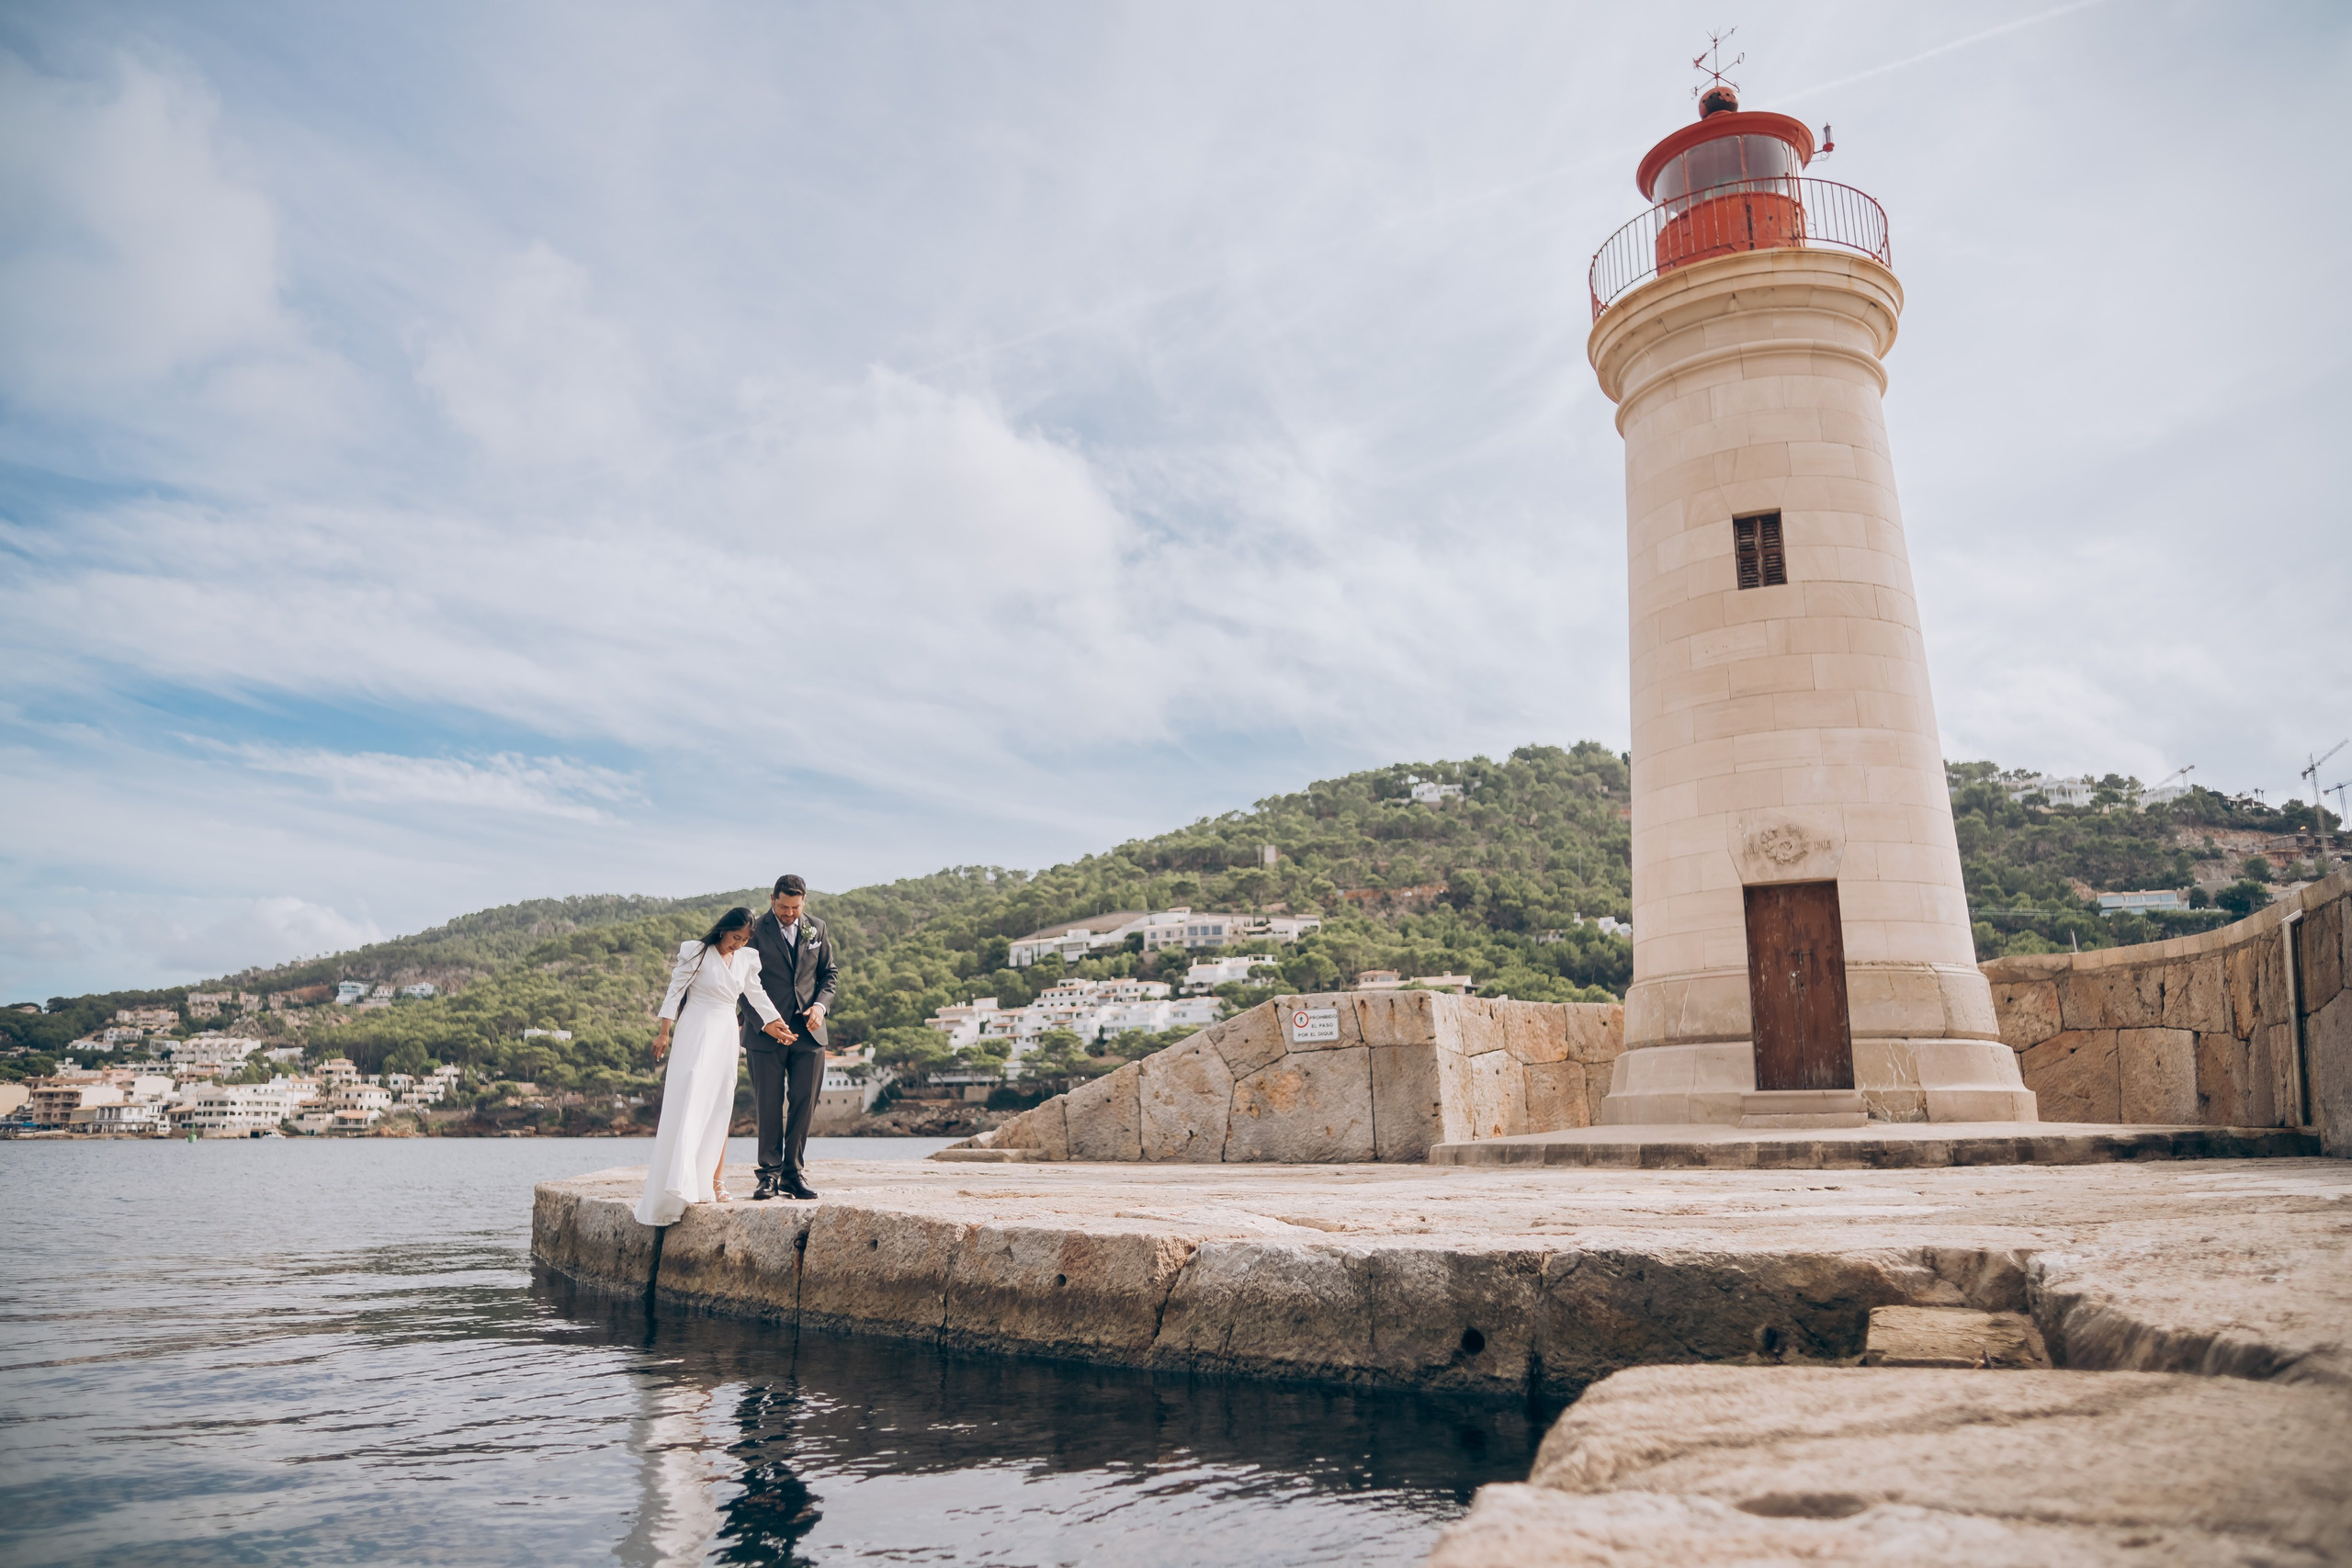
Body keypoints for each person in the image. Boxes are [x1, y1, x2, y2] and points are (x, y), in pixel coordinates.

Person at [633, 907, 792, 1227]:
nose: (739, 944)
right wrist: (664, 1032)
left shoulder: (747, 958)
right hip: (696, 1028)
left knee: (720, 1105)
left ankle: (707, 1182)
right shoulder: (696, 952)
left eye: (745, 939)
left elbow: (755, 994)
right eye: (736, 937)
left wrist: (773, 1022)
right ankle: (676, 1185)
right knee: (691, 1099)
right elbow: (675, 991)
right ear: (723, 929)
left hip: (725, 1034)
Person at [742, 874, 838, 1201]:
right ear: (772, 899)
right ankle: (767, 1175)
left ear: (804, 902)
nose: (788, 913)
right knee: (768, 1105)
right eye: (783, 906)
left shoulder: (818, 928)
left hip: (810, 1035)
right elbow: (739, 982)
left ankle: (793, 1174)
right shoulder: (753, 931)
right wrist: (764, 1022)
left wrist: (820, 1008)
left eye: (795, 907)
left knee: (803, 1103)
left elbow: (829, 975)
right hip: (765, 1033)